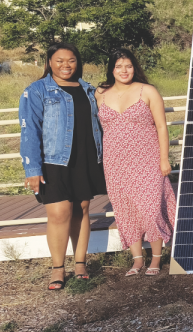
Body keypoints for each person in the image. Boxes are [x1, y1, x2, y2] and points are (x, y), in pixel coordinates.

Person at [19, 43, 106, 290]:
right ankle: (58, 268)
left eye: (71, 61)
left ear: (78, 63)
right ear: (49, 63)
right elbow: (29, 130)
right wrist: (32, 169)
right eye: (59, 61)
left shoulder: (89, 89)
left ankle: (80, 263)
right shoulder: (37, 90)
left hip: (85, 158)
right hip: (53, 161)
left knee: (81, 210)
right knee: (59, 214)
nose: (66, 65)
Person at [96, 48, 176, 276]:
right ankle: (137, 260)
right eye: (119, 66)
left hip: (147, 160)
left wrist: (164, 159)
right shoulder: (100, 93)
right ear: (111, 69)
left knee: (152, 208)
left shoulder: (148, 91)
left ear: (135, 67)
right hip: (115, 163)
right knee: (125, 210)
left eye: (128, 66)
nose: (124, 70)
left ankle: (156, 259)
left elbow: (161, 127)